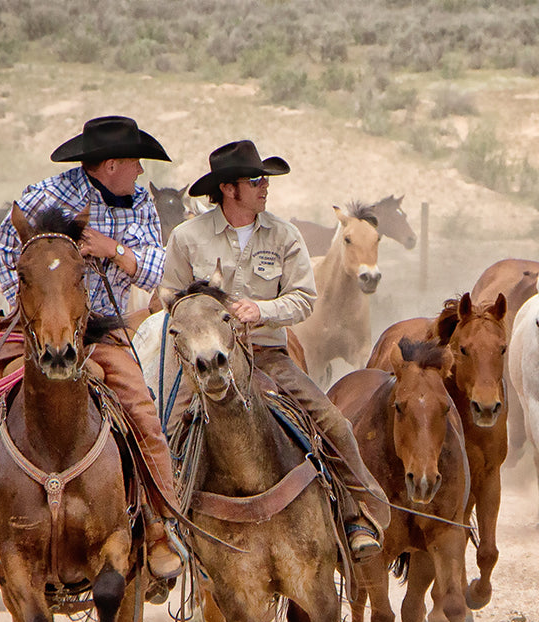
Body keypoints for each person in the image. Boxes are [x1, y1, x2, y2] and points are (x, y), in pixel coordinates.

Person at [0, 115, 185, 581]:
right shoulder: (44, 195)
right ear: (111, 164)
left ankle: (159, 527)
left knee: (143, 413)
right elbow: (5, 250)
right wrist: (34, 310)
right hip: (32, 328)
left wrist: (113, 251)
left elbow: (155, 267)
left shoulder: (140, 202)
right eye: (135, 163)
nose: (141, 174)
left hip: (99, 330)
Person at [160, 139, 388, 558]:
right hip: (203, 363)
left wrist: (262, 310)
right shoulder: (187, 238)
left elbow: (304, 298)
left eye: (265, 179)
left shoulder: (284, 235)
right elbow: (171, 299)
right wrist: (208, 321)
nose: (265, 187)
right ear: (229, 189)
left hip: (267, 355)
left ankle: (359, 514)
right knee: (167, 431)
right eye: (256, 180)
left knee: (332, 421)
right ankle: (160, 532)